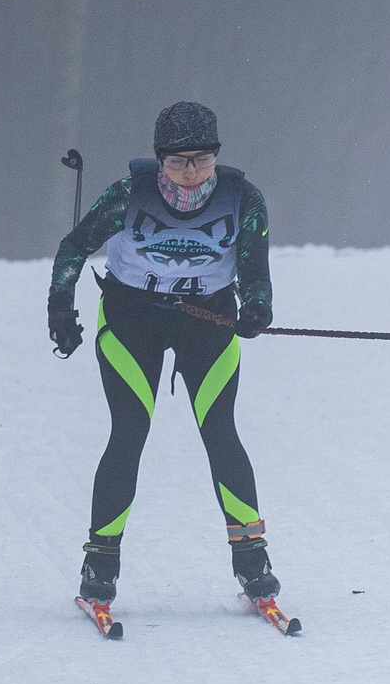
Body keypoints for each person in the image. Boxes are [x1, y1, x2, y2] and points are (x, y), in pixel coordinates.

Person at [48, 100, 277, 616]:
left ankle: (253, 562)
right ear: (159, 160)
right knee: (128, 433)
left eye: (201, 159)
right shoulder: (130, 193)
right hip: (132, 323)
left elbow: (254, 267)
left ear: (216, 156)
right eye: (177, 162)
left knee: (221, 432)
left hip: (207, 323)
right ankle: (99, 567)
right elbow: (74, 247)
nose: (191, 172)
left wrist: (257, 308)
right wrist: (60, 309)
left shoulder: (244, 199)